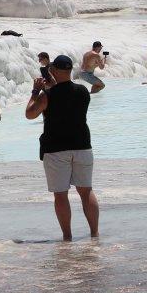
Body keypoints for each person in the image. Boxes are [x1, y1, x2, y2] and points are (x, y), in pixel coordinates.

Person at [24, 55, 98, 240]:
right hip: (82, 146)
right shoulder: (83, 91)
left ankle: (67, 236)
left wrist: (35, 91)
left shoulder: (47, 95)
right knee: (86, 191)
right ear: (70, 70)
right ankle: (95, 233)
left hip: (56, 149)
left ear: (53, 71)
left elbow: (30, 114)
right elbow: (66, 99)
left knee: (61, 195)